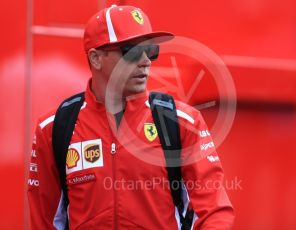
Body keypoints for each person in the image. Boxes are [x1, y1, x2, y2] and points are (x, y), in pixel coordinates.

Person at [27, 4, 235, 229]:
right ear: (96, 58)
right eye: (132, 51)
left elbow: (215, 211)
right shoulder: (55, 128)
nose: (145, 61)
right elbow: (44, 220)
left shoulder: (182, 121)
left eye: (151, 50)